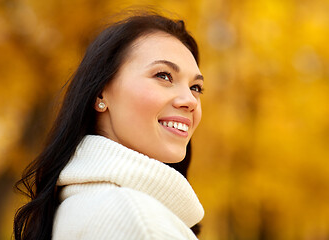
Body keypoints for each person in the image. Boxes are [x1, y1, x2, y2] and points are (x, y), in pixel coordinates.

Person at [14, 12, 205, 240]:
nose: (190, 101)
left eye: (195, 87)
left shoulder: (80, 203)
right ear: (100, 93)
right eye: (164, 76)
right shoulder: (140, 223)